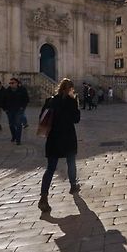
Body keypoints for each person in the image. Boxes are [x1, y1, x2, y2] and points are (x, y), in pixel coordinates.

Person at [38, 78, 81, 213]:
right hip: (67, 137)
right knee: (71, 162)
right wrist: (75, 102)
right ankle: (73, 185)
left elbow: (41, 117)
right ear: (70, 89)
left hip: (53, 138)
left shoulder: (50, 100)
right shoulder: (72, 101)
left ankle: (43, 197)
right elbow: (76, 119)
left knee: (50, 168)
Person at [4, 77, 29, 145]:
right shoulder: (7, 91)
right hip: (9, 110)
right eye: (10, 83)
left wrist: (22, 107)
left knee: (18, 124)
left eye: (12, 83)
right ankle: (14, 136)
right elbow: (4, 100)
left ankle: (18, 140)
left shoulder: (22, 90)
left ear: (17, 83)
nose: (11, 84)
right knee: (11, 124)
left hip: (19, 110)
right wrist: (5, 109)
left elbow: (26, 99)